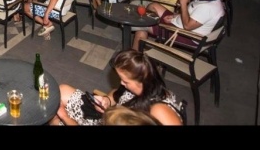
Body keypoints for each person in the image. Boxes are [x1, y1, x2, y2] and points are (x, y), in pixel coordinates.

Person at [49, 49, 183, 126]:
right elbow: (116, 94)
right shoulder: (138, 87)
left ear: (142, 81)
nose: (121, 83)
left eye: (125, 81)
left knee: (56, 118)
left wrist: (66, 117)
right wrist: (107, 100)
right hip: (109, 116)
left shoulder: (159, 110)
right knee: (61, 91)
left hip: (108, 121)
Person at [132, 0, 225, 51]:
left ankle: (135, 59)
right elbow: (192, 14)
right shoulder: (208, 0)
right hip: (179, 22)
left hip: (186, 35)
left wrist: (183, 3)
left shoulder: (208, 8)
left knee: (142, 26)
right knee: (154, 5)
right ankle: (150, 37)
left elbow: (187, 26)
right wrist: (175, 16)